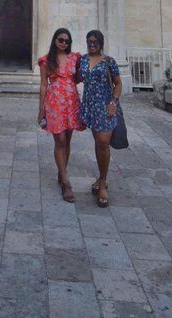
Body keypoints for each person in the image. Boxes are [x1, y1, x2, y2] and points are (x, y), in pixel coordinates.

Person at [37, 28, 85, 203]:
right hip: (55, 102)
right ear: (54, 40)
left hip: (72, 100)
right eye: (60, 40)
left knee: (68, 139)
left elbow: (80, 77)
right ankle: (66, 183)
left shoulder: (75, 58)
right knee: (60, 140)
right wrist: (41, 109)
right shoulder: (46, 60)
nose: (64, 43)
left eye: (67, 41)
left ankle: (61, 171)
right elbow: (43, 85)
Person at [76, 29, 122, 208]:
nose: (92, 44)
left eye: (95, 41)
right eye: (89, 41)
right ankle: (101, 176)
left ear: (101, 43)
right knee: (98, 142)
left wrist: (113, 102)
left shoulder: (109, 61)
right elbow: (76, 78)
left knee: (103, 142)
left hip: (105, 106)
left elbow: (118, 83)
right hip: (89, 106)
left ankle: (102, 184)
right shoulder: (84, 60)